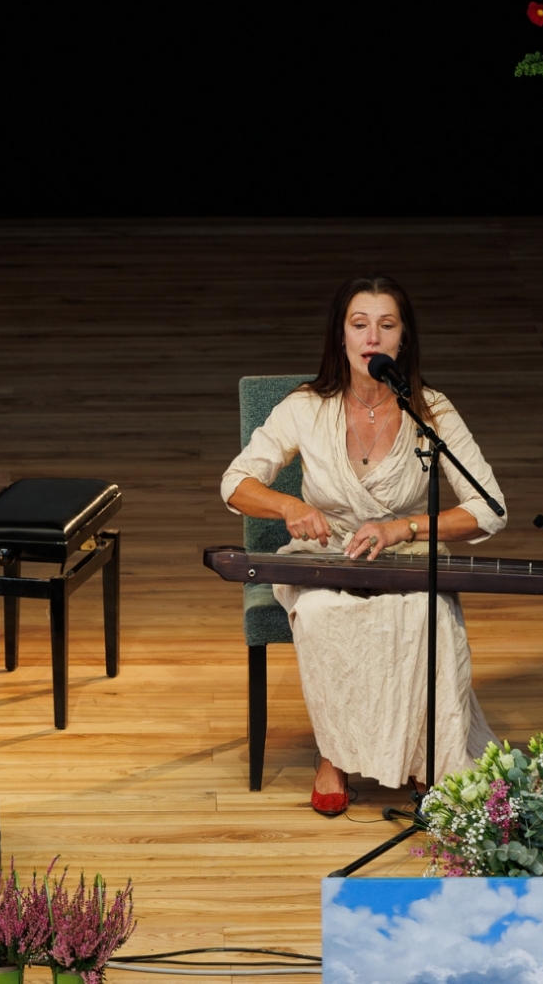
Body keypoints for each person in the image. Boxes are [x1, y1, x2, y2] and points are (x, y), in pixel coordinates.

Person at [220, 276, 505, 816]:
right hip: (323, 561)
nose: (372, 337)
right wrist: (289, 507)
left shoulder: (432, 411)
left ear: (403, 340)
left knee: (429, 616)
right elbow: (234, 483)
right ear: (341, 336)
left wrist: (404, 528)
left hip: (408, 558)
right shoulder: (305, 406)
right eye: (359, 324)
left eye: (386, 325)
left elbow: (490, 507)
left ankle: (430, 761)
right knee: (326, 616)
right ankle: (334, 756)